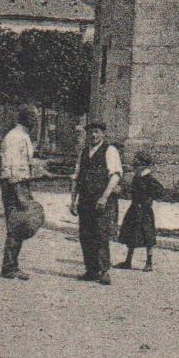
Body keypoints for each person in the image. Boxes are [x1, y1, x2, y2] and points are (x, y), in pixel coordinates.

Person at [70, 118, 122, 285]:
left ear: (102, 133)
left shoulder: (110, 150)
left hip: (101, 199)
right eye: (90, 132)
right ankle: (91, 270)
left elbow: (115, 176)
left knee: (100, 234)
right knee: (85, 234)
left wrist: (105, 196)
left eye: (96, 132)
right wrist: (73, 200)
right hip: (85, 199)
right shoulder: (83, 152)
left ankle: (104, 270)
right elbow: (76, 178)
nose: (93, 135)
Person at [0, 104, 39, 280]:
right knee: (16, 225)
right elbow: (12, 165)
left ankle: (12, 265)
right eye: (34, 117)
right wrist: (18, 192)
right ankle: (9, 267)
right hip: (15, 185)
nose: (36, 120)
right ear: (26, 118)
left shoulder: (23, 136)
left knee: (21, 224)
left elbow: (24, 162)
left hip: (20, 184)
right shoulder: (15, 137)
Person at [117, 152, 165, 272]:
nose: (135, 166)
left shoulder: (149, 178)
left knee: (147, 235)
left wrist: (148, 199)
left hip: (144, 211)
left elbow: (159, 191)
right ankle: (128, 261)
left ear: (144, 165)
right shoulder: (137, 177)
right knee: (131, 234)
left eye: (137, 163)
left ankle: (149, 262)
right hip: (134, 209)